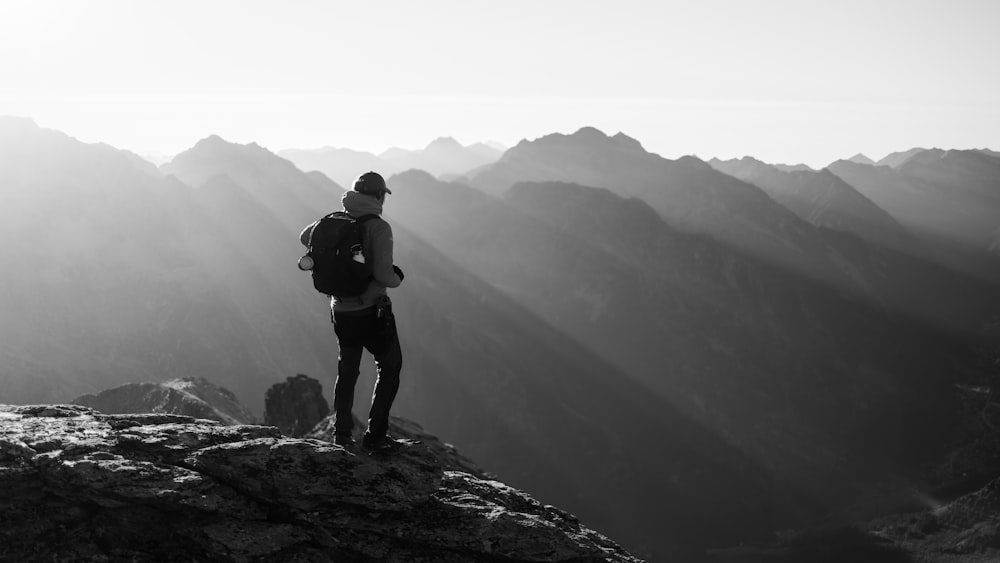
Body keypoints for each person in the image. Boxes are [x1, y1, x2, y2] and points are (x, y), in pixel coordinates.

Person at [299, 171, 404, 450]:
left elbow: (304, 237)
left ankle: (342, 435)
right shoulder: (379, 227)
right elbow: (383, 275)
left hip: (340, 310)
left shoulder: (333, 219)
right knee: (390, 366)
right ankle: (375, 436)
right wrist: (397, 278)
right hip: (372, 312)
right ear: (379, 196)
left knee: (348, 370)